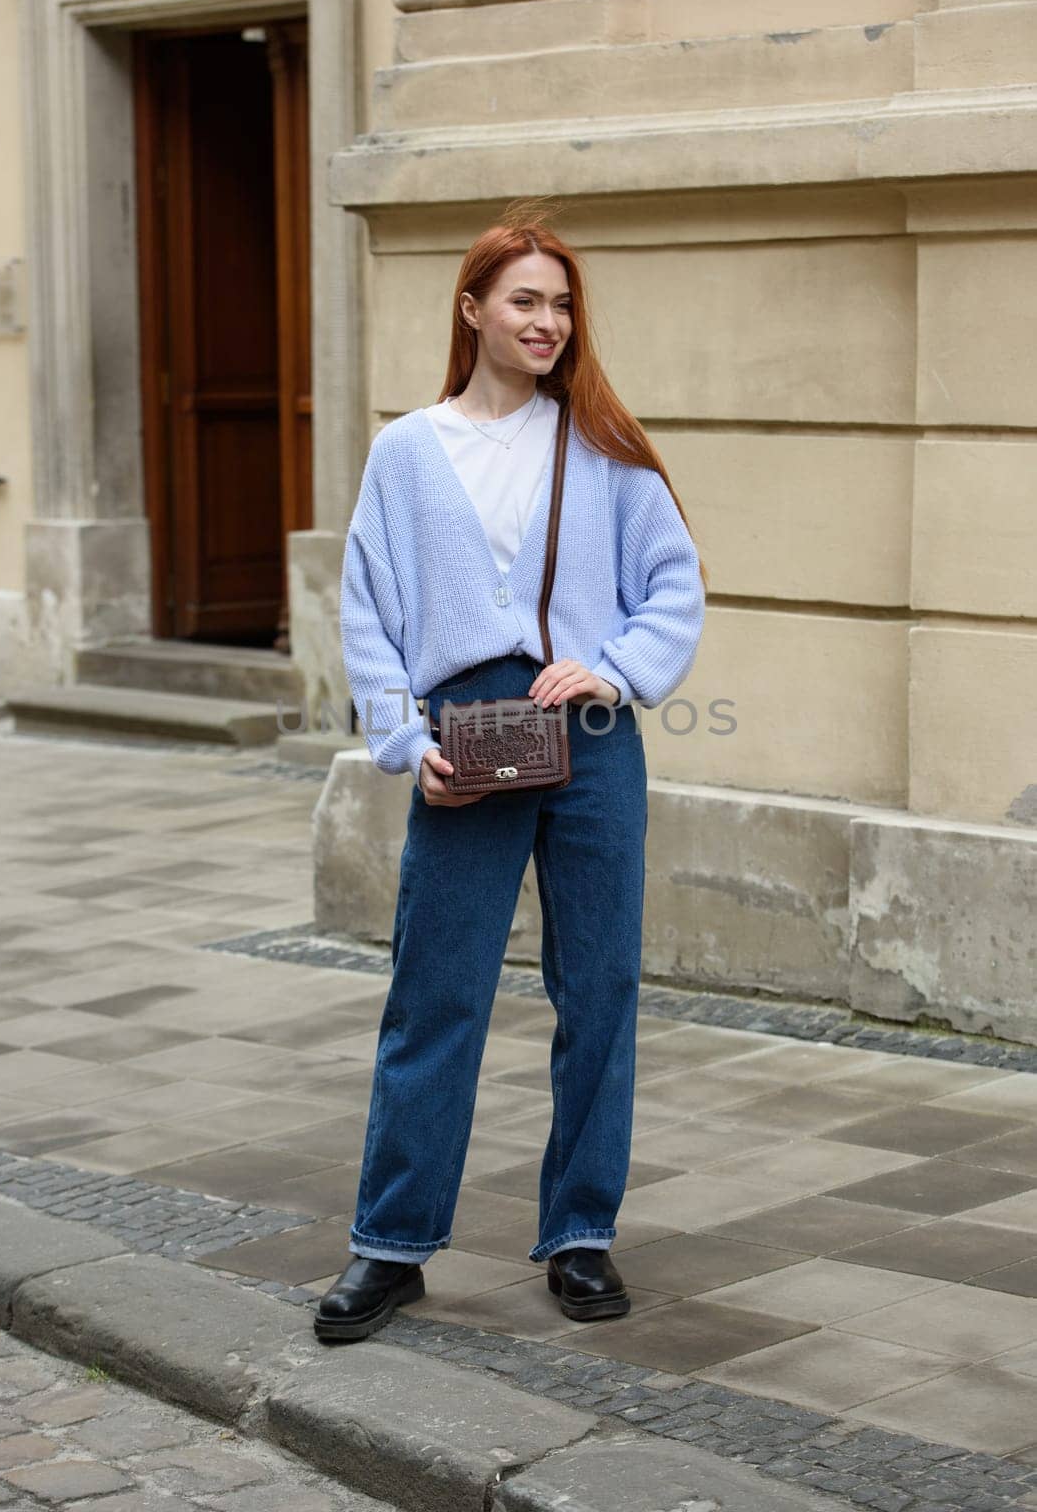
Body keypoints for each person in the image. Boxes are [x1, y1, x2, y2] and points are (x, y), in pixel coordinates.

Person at [314, 201, 708, 1342]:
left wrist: (617, 669)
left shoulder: (603, 442)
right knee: (436, 989)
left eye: (562, 302)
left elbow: (672, 584)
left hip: (587, 746)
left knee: (600, 990)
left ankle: (580, 1232)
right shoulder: (407, 450)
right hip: (462, 740)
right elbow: (368, 613)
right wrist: (403, 741)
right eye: (525, 299)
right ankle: (390, 1245)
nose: (547, 320)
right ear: (473, 306)